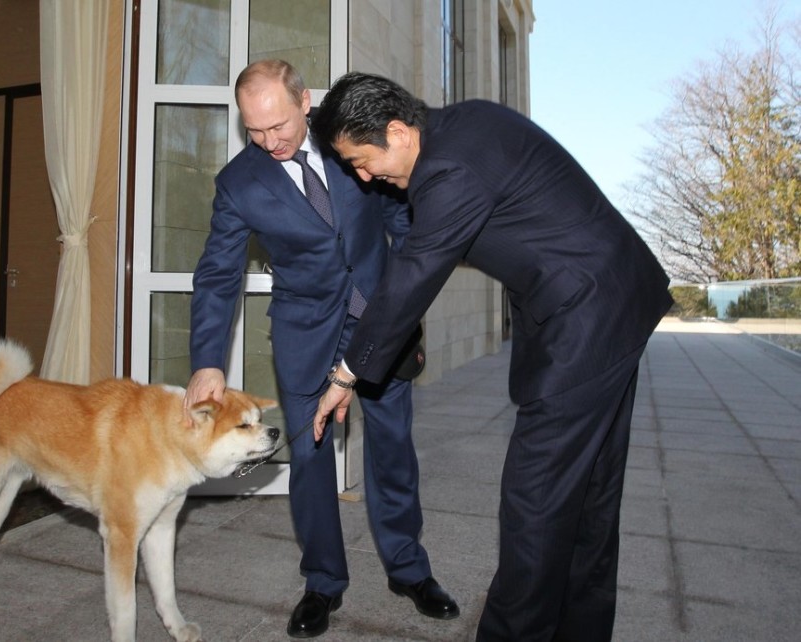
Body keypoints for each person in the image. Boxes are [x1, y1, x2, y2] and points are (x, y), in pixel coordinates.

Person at [311, 72, 674, 641]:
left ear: (399, 131)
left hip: (586, 318)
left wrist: (346, 372)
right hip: (610, 303)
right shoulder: (462, 125)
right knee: (588, 500)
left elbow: (414, 273)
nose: (363, 176)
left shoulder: (447, 170)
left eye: (361, 160)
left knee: (536, 505)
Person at [183, 60, 458, 639]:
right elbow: (216, 274)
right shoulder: (239, 183)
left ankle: (408, 570)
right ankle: (323, 583)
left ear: (304, 100)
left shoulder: (344, 142)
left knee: (392, 445)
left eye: (278, 125)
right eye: (254, 131)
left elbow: (397, 208)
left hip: (378, 318)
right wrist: (208, 360)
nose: (270, 141)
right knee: (309, 459)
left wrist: (405, 285)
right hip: (306, 329)